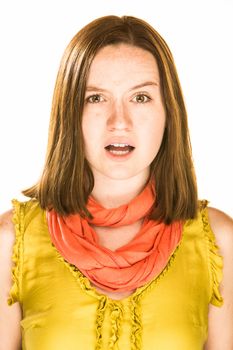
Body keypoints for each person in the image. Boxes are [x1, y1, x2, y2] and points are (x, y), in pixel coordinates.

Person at [0, 15, 232, 350]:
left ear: (169, 112)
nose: (119, 121)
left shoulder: (220, 242)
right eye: (95, 98)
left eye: (140, 98)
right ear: (69, 112)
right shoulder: (11, 243)